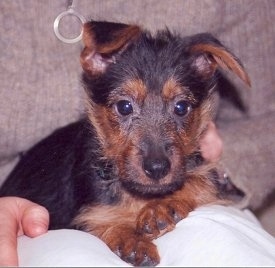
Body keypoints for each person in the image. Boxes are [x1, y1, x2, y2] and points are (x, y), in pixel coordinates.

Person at [0, 122, 223, 267]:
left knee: (216, 248)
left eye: (181, 107)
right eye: (125, 107)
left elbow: (256, 121)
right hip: (20, 213)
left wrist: (216, 167)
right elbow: (97, 219)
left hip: (203, 174)